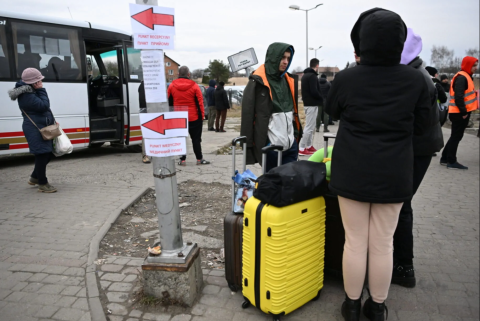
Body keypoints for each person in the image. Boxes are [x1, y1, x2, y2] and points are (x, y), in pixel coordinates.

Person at [326, 8, 432, 321]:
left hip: (352, 172)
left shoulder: (346, 78)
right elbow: (424, 128)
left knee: (355, 242)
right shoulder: (416, 80)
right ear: (399, 42)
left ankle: (353, 305)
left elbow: (331, 111)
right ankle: (377, 307)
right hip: (395, 173)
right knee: (383, 243)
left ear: (362, 41)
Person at [392, 28, 444, 289]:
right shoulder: (417, 69)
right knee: (403, 203)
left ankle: (403, 266)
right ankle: (400, 262)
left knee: (401, 204)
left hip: (418, 148)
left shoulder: (413, 76)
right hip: (423, 146)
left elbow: (415, 122)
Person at [240, 42, 303, 173]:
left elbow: (292, 113)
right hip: (270, 148)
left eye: (288, 58)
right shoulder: (257, 82)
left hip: (290, 146)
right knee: (273, 187)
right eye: (282, 57)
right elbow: (247, 117)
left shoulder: (288, 80)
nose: (286, 62)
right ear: (273, 57)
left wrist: (295, 137)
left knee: (290, 185)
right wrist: (250, 147)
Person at [8, 68, 57, 193]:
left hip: (41, 126)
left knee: (47, 153)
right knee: (42, 155)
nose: (41, 82)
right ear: (34, 82)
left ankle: (35, 177)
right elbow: (44, 106)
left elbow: (44, 110)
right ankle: (43, 183)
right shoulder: (27, 94)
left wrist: (52, 120)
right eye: (39, 80)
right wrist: (41, 90)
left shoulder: (31, 92)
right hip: (35, 128)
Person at [440, 56, 479, 169]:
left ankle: (445, 158)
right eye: (474, 65)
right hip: (460, 113)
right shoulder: (462, 77)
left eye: (476, 65)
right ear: (468, 65)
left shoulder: (464, 76)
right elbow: (459, 97)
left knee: (455, 136)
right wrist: (464, 112)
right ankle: (451, 161)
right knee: (456, 136)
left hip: (458, 112)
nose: (476, 68)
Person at [168, 66, 210, 166]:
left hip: (179, 117)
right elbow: (200, 103)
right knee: (196, 139)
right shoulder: (195, 86)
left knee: (181, 138)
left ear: (178, 74)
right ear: (189, 74)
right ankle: (199, 159)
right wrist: (202, 116)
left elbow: (169, 102)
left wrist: (170, 117)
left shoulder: (171, 86)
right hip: (194, 117)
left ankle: (182, 160)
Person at [299, 58, 322, 155]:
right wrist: (321, 98)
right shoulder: (312, 76)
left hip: (307, 103)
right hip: (312, 104)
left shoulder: (304, 76)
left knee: (311, 126)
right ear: (317, 65)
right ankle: (301, 148)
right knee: (309, 127)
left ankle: (308, 146)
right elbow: (314, 91)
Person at [138, 80, 151, 164]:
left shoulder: (142, 85)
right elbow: (142, 100)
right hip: (147, 111)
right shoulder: (144, 84)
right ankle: (146, 155)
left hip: (148, 111)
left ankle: (149, 154)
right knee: (146, 134)